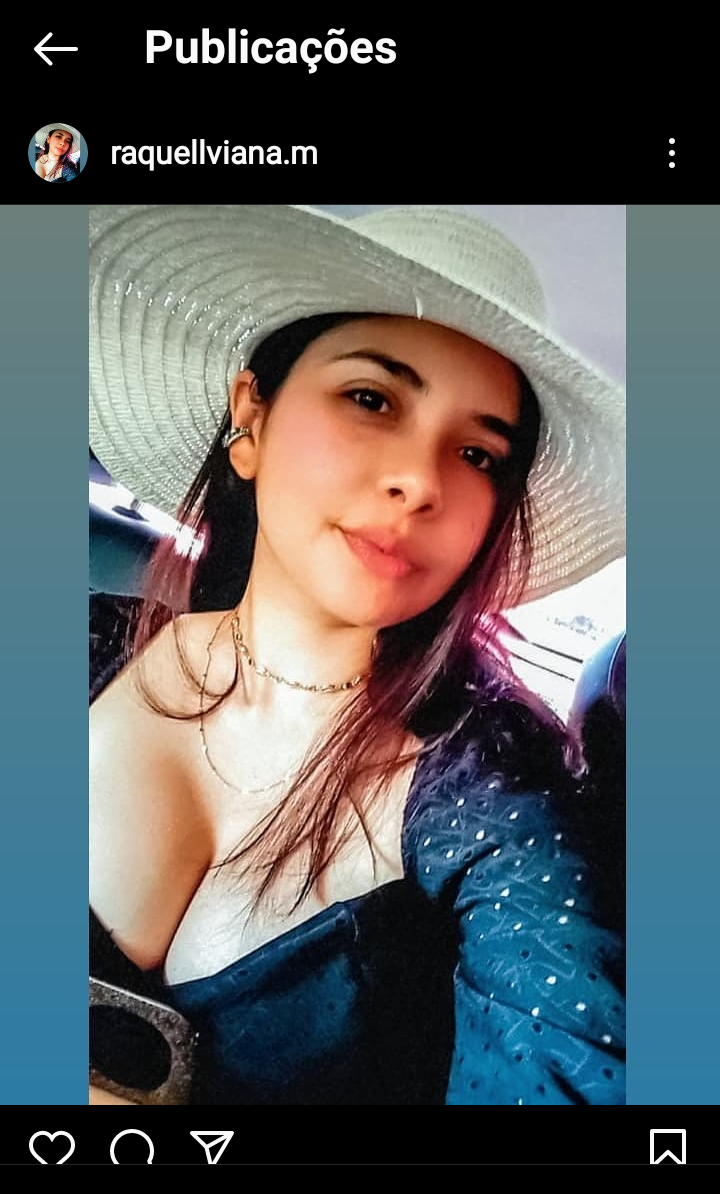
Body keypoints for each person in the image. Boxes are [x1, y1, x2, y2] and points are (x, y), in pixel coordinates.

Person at [88, 204, 626, 1106]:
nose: (420, 481)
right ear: (251, 417)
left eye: (478, 453)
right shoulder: (83, 643)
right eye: (372, 399)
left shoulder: (499, 791)